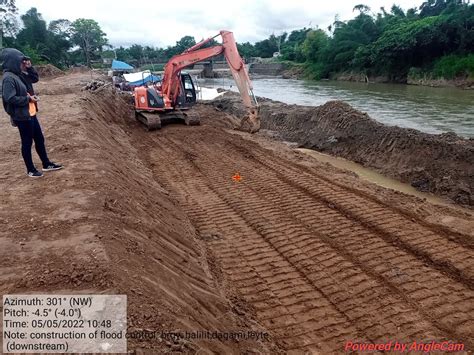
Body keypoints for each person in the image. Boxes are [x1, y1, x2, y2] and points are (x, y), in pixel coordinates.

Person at [1, 48, 62, 178]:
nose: (24, 63)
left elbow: (34, 79)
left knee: (39, 138)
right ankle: (31, 170)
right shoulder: (8, 78)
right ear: (13, 61)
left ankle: (46, 164)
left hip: (30, 113)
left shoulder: (19, 74)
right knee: (27, 142)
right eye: (21, 61)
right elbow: (9, 98)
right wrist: (28, 99)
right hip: (22, 116)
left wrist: (29, 67)